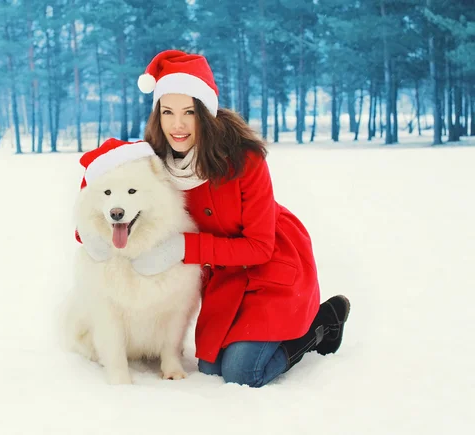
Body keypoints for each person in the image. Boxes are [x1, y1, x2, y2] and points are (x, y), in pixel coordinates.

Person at [83, 50, 351, 387]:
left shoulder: (244, 158)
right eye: (167, 112)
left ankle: (321, 325)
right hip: (223, 274)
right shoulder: (152, 156)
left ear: (206, 112)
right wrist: (88, 232)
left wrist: (183, 247)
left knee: (243, 373)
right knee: (211, 369)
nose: (177, 125)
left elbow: (258, 248)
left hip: (268, 262)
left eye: (188, 113)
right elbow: (104, 172)